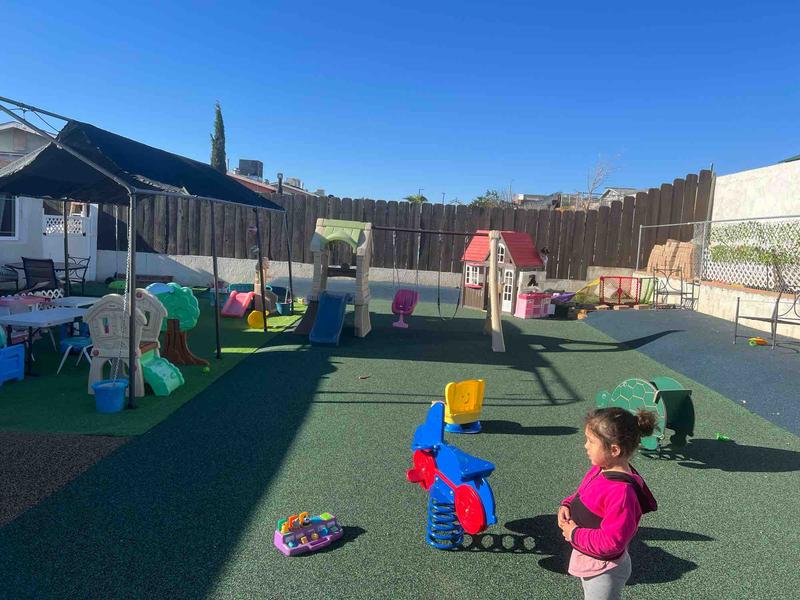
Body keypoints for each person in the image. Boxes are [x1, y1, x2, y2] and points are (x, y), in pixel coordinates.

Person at [558, 408, 658, 599]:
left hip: (603, 570)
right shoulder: (600, 469)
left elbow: (612, 542)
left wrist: (574, 533)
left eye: (591, 441)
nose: (585, 446)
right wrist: (567, 505)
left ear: (614, 449)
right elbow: (583, 494)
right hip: (591, 556)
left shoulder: (622, 493)